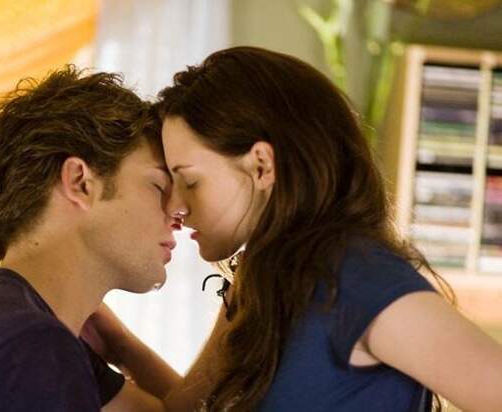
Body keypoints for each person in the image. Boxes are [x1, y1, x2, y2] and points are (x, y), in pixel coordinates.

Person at [85, 46, 502, 412]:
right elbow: (183, 409)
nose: (174, 205)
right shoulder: (260, 282)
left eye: (190, 181)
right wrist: (117, 345)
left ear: (262, 166)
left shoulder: (358, 280)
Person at [0, 66, 184, 411]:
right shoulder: (31, 349)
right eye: (158, 187)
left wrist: (121, 348)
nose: (178, 211)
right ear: (80, 183)